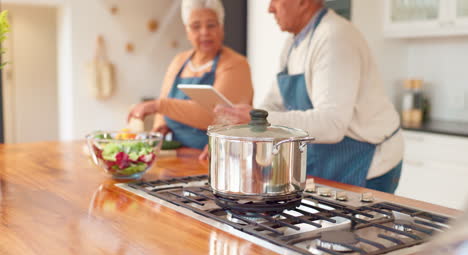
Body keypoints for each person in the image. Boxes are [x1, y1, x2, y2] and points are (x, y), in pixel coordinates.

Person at [213, 0, 404, 194]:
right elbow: (274, 102)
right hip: (329, 156)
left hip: (369, 160)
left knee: (358, 224)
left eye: (275, 0)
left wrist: (261, 122)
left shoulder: (334, 38)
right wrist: (248, 126)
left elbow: (331, 125)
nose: (269, 9)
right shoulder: (293, 43)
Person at [128, 0, 253, 150]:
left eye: (211, 25)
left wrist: (158, 106)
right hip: (178, 153)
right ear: (187, 31)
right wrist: (161, 125)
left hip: (213, 155)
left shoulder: (236, 64)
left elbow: (216, 117)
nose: (204, 32)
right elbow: (164, 101)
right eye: (196, 26)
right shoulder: (179, 61)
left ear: (222, 28)